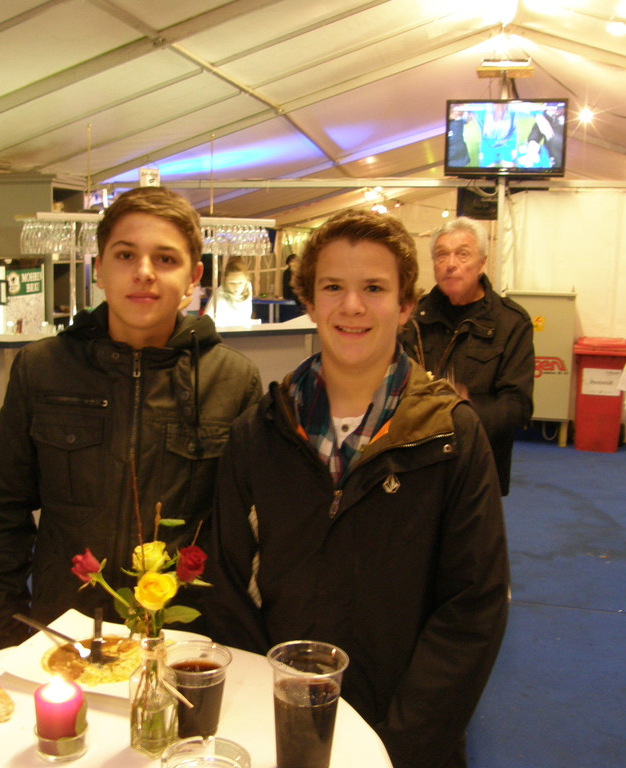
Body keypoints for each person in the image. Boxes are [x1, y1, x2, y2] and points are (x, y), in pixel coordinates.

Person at [202, 209, 509, 768]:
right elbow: (226, 582)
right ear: (308, 300)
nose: (352, 306)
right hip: (280, 727)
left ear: (406, 304)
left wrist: (400, 744)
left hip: (404, 738)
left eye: (374, 288)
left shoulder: (451, 437)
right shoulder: (261, 431)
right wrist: (263, 709)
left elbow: (472, 609)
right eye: (333, 287)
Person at [0, 186, 263, 654]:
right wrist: (2, 635)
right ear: (99, 269)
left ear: (194, 278)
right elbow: (3, 511)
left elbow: (246, 535)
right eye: (126, 255)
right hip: (67, 631)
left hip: (186, 640)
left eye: (165, 259)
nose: (144, 272)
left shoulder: (233, 380)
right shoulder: (42, 369)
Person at [398, 216, 534, 496]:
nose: (450, 264)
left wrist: (462, 412)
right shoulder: (411, 320)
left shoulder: (510, 322)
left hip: (479, 463)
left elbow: (518, 406)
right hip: (417, 462)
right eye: (441, 255)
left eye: (462, 254)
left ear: (482, 263)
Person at [203, 257, 253, 327]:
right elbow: (205, 324)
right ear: (225, 282)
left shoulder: (248, 288)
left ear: (246, 280)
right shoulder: (219, 297)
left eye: (240, 283)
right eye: (232, 283)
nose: (236, 287)